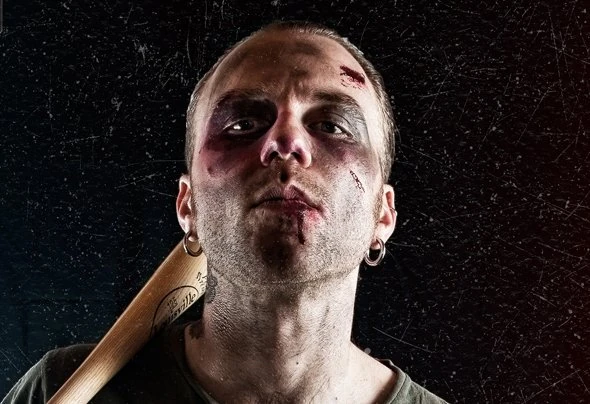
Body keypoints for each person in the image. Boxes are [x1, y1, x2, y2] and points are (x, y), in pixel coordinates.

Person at [3, 21, 448, 403]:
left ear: (383, 214)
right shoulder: (60, 389)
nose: (285, 143)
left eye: (332, 125)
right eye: (243, 124)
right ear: (188, 204)